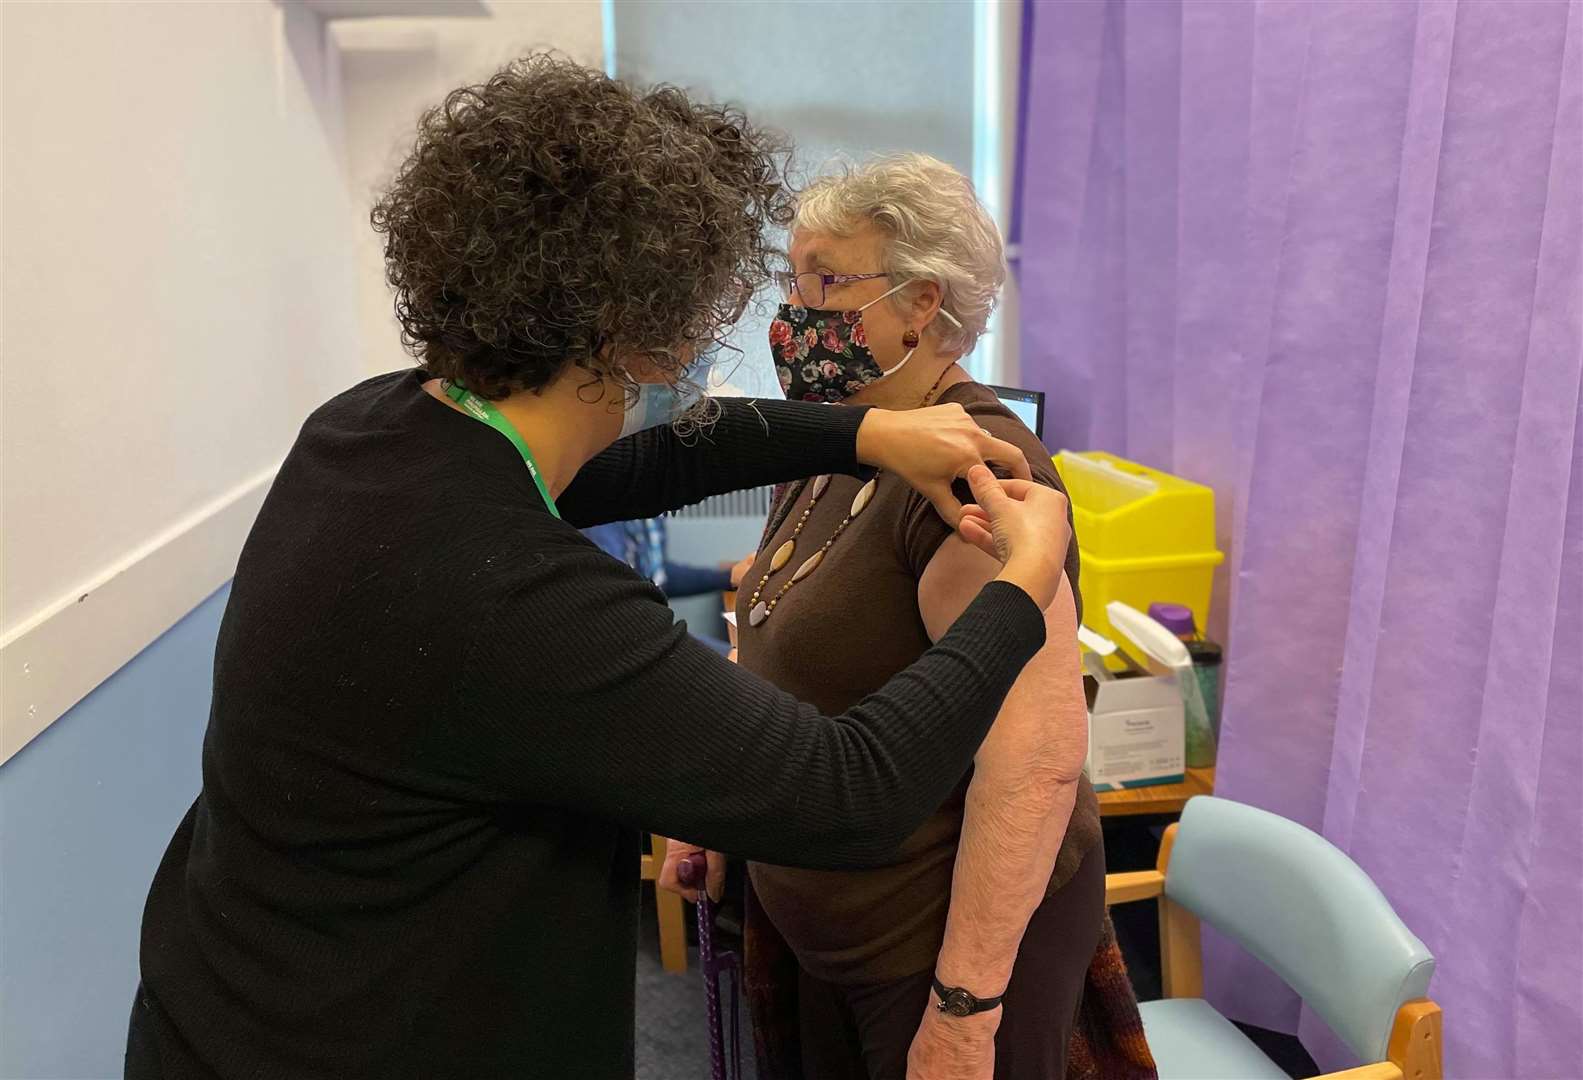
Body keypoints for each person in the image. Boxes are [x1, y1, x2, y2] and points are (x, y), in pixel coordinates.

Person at [123, 59, 1076, 1080]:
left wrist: (867, 436)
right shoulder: (518, 600)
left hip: (229, 996)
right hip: (374, 1028)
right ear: (645, 331)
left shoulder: (368, 431)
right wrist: (1018, 587)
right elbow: (846, 792)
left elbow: (665, 456)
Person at [662, 155, 1156, 1080]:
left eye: (826, 281)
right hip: (829, 919)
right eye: (791, 277)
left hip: (930, 952)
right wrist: (720, 808)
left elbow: (1033, 764)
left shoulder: (979, 476)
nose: (794, 311)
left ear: (922, 304)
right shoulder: (844, 433)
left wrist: (965, 1012)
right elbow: (784, 635)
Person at [582, 516, 734, 653]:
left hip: (654, 634)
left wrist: (727, 577)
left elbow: (658, 576)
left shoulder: (650, 515)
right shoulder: (602, 525)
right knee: (744, 662)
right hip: (634, 643)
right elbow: (624, 618)